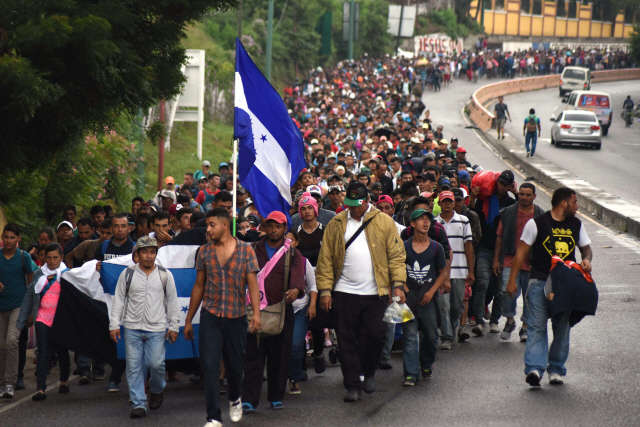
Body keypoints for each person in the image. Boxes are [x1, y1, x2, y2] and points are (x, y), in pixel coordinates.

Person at [316, 182, 407, 403]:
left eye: (357, 205)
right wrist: (326, 290)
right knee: (346, 339)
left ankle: (369, 370)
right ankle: (353, 385)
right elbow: (325, 259)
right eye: (350, 205)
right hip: (344, 292)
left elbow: (396, 256)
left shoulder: (384, 222)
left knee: (376, 334)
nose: (353, 209)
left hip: (376, 292)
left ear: (366, 201)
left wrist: (398, 284)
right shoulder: (337, 223)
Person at [506, 187, 592, 387]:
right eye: (574, 202)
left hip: (565, 285)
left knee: (562, 327)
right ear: (564, 203)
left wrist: (586, 260)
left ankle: (556, 369)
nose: (577, 206)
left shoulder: (576, 225)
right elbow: (520, 254)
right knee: (536, 326)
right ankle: (535, 369)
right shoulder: (536, 223)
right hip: (539, 282)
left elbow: (586, 248)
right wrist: (512, 281)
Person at [184, 208, 262, 427]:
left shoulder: (246, 250)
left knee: (236, 367)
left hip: (236, 316)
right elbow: (199, 286)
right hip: (211, 315)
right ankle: (214, 417)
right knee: (209, 366)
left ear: (225, 225)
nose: (207, 229)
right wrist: (189, 319)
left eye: (211, 225)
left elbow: (253, 284)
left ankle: (235, 397)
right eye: (207, 225)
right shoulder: (204, 252)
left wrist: (255, 313)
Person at [241, 211, 306, 412]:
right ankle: (249, 400)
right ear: (264, 227)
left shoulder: (293, 253)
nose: (274, 230)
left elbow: (298, 276)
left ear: (284, 228)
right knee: (253, 356)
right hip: (255, 311)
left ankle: (276, 396)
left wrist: (296, 289)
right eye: (270, 226)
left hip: (281, 311)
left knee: (280, 355)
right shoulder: (252, 249)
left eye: (278, 226)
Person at [109, 236, 180, 418]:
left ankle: (156, 389)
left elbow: (172, 301)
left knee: (156, 364)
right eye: (144, 252)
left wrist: (174, 326)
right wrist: (114, 325)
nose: (148, 256)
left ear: (156, 254)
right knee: (133, 367)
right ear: (137, 255)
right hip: (131, 328)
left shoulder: (165, 275)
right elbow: (118, 300)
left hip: (156, 329)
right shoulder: (128, 274)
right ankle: (138, 404)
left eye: (152, 252)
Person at [16, 243, 70, 402]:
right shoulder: (39, 274)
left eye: (55, 257)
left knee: (61, 350)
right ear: (44, 258)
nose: (52, 261)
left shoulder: (67, 275)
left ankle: (64, 381)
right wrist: (24, 318)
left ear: (61, 257)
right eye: (49, 257)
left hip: (61, 320)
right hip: (42, 317)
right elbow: (30, 297)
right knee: (43, 352)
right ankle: (40, 388)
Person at [469, 170, 517, 336]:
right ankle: (479, 320)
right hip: (484, 248)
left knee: (500, 288)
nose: (502, 187)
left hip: (504, 252)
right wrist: (473, 197)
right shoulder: (485, 200)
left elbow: (522, 214)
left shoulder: (511, 203)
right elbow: (473, 214)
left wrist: (517, 194)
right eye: (500, 183)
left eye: (506, 185)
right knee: (482, 283)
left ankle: (495, 320)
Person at [493, 183, 543, 342]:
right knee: (506, 293)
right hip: (510, 259)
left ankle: (525, 327)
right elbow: (499, 236)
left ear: (534, 196)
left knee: (530, 297)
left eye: (528, 195)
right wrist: (496, 259)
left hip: (532, 263)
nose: (524, 198)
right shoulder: (508, 213)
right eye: (521, 194)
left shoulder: (541, 215)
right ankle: (509, 321)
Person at [401, 209, 447, 385]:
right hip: (408, 298)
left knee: (431, 335)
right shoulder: (404, 246)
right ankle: (411, 374)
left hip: (428, 297)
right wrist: (403, 287)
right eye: (421, 219)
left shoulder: (437, 247)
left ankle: (426, 364)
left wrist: (432, 291)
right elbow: (396, 268)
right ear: (412, 224)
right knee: (410, 336)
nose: (425, 222)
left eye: (428, 219)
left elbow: (442, 273)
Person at [435, 191, 475, 348]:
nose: (447, 203)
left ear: (454, 203)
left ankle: (450, 329)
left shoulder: (464, 221)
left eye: (449, 201)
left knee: (458, 305)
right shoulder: (434, 222)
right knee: (443, 305)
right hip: (441, 271)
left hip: (460, 270)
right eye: (444, 201)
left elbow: (468, 246)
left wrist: (471, 270)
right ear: (439, 203)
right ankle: (446, 336)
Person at [0, 224, 34, 398]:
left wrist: (30, 311)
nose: (8, 240)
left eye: (12, 237)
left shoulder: (24, 257)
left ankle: (10, 383)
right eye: (5, 237)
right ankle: (1, 382)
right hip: (1, 307)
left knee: (12, 341)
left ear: (18, 239)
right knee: (1, 345)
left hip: (18, 305)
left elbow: (32, 284)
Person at [286, 229, 317, 395]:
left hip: (300, 309)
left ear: (296, 242)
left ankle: (294, 378)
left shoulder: (304, 262)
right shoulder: (274, 261)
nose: (288, 243)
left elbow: (312, 286)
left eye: (291, 240)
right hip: (280, 310)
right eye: (285, 240)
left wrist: (312, 305)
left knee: (296, 344)